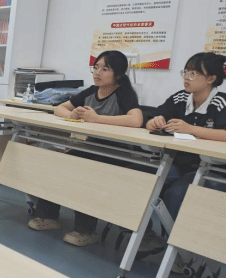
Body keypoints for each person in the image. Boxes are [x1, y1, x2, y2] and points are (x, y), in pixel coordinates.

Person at [27, 50, 144, 246]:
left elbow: (136, 119)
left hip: (117, 153)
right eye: (96, 67)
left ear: (118, 74)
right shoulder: (91, 91)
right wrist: (71, 115)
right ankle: (48, 216)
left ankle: (86, 230)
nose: (98, 72)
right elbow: (60, 108)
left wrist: (96, 119)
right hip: (91, 147)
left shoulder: (124, 93)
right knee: (59, 163)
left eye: (105, 69)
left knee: (87, 172)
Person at [145, 52, 226, 269]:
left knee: (176, 193)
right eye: (186, 72)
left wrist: (192, 129)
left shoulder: (221, 102)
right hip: (177, 164)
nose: (187, 77)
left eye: (194, 73)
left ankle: (182, 252)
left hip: (212, 170)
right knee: (143, 177)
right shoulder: (181, 98)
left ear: (211, 79)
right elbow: (151, 120)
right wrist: (154, 122)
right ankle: (147, 236)